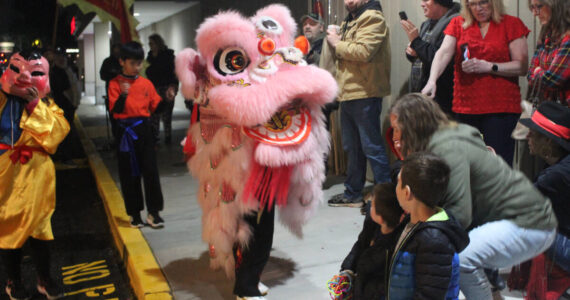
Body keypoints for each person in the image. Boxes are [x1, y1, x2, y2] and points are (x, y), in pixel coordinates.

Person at [389, 93, 557, 300]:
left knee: (464, 259)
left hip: (528, 221)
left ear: (413, 126)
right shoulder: (443, 140)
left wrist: (421, 236)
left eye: (397, 129)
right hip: (513, 219)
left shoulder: (447, 147)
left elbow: (460, 213)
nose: (394, 137)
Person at [422, 0, 530, 166]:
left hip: (500, 107)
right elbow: (443, 53)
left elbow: (521, 66)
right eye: (472, 4)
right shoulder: (458, 23)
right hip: (466, 105)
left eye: (483, 3)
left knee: (497, 164)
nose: (478, 8)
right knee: (466, 163)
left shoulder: (511, 24)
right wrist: (432, 80)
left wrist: (489, 66)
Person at [0, 50, 69, 299]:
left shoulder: (48, 105)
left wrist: (33, 105)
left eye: (35, 72)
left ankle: (44, 278)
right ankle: (13, 281)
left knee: (40, 228)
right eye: (16, 69)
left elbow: (57, 133)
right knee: (8, 227)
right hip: (6, 172)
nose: (24, 78)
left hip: (37, 174)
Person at [325, 0, 391, 207]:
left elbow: (364, 51)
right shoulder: (352, 20)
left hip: (365, 92)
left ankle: (384, 199)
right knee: (352, 147)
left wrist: (336, 42)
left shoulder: (372, 17)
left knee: (371, 146)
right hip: (349, 92)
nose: (348, 1)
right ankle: (353, 193)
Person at [387, 152, 469, 299]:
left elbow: (430, 295)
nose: (395, 186)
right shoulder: (412, 222)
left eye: (398, 182)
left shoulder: (434, 241)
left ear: (407, 193)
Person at [108, 41, 165, 229]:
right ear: (122, 61)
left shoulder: (146, 83)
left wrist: (168, 98)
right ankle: (134, 214)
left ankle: (154, 212)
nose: (136, 67)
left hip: (144, 130)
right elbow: (114, 111)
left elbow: (156, 107)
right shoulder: (115, 84)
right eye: (132, 63)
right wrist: (123, 95)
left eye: (139, 63)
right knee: (129, 173)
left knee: (151, 171)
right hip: (125, 132)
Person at [519, 102, 570, 299]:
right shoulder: (561, 165)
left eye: (534, 132)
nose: (528, 136)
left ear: (549, 142)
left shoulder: (558, 175)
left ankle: (556, 280)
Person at [335, 182, 404, 299]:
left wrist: (354, 288)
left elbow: (373, 285)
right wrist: (346, 270)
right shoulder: (371, 225)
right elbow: (359, 246)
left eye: (372, 204)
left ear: (380, 217)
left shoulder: (387, 251)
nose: (369, 204)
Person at [400, 0, 460, 114]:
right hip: (422, 94)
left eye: (425, 0)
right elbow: (421, 55)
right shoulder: (427, 24)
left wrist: (416, 42)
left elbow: (440, 59)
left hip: (443, 97)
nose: (421, 4)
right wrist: (411, 52)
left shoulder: (455, 22)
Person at [527, 0, 569, 107]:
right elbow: (530, 74)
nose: (535, 13)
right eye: (532, 7)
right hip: (549, 108)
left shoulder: (567, 38)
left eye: (538, 7)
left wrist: (538, 72)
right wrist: (539, 73)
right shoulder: (547, 32)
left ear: (554, 5)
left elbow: (551, 80)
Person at [146, 34, 178, 145]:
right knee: (154, 113)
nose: (150, 46)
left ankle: (167, 136)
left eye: (152, 43)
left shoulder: (168, 56)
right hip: (154, 88)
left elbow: (174, 72)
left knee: (167, 113)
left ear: (157, 43)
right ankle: (155, 136)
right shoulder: (149, 57)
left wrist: (174, 86)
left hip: (167, 87)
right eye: (149, 44)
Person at [100, 43, 122, 143]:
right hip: (112, 93)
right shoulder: (108, 62)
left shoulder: (124, 61)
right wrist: (113, 75)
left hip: (123, 93)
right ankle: (116, 137)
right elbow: (103, 75)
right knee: (113, 116)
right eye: (115, 50)